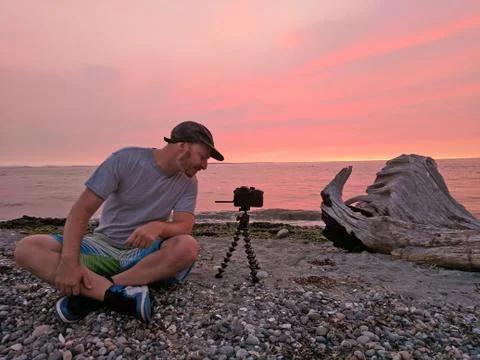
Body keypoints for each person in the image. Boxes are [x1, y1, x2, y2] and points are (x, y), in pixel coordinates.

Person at [14, 121, 224, 323]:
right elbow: (81, 211)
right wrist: (69, 262)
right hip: (103, 246)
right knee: (28, 248)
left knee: (188, 246)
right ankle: (121, 294)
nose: (205, 165)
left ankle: (100, 292)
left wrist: (159, 226)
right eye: (202, 157)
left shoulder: (188, 182)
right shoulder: (126, 159)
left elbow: (185, 226)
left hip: (142, 254)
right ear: (182, 146)